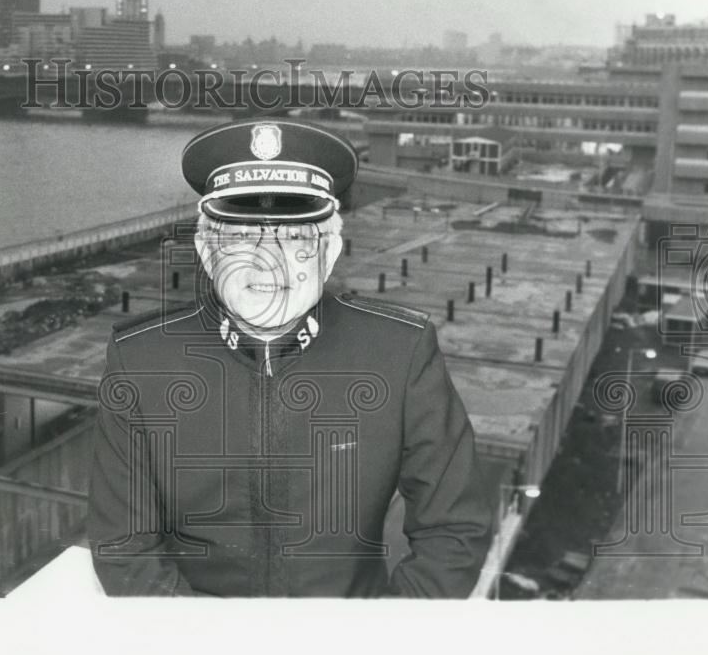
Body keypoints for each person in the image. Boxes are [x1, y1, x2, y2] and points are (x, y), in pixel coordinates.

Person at [88, 118, 492, 597]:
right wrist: (198, 651)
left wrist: (386, 640)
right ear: (204, 250)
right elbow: (123, 545)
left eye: (297, 240)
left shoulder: (399, 352)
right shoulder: (140, 362)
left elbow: (454, 530)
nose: (268, 260)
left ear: (331, 252)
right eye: (240, 238)